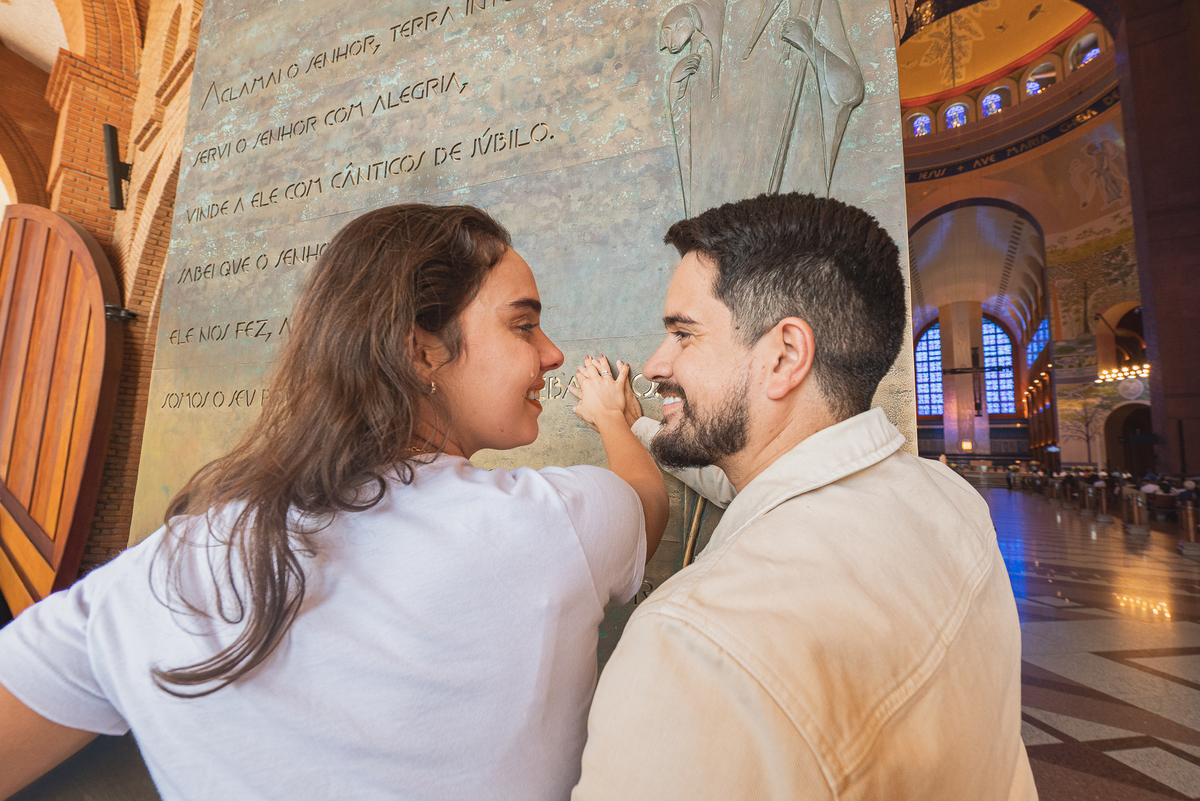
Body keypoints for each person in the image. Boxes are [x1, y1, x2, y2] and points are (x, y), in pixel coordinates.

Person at [0, 204, 668, 800]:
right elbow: (644, 502)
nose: (552, 353)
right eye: (524, 325)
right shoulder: (559, 522)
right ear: (420, 350)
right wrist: (613, 418)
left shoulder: (160, 574)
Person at [572, 193, 1035, 800]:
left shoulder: (695, 645)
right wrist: (633, 425)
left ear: (785, 356)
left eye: (683, 334)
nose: (656, 364)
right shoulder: (950, 498)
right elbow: (762, 486)